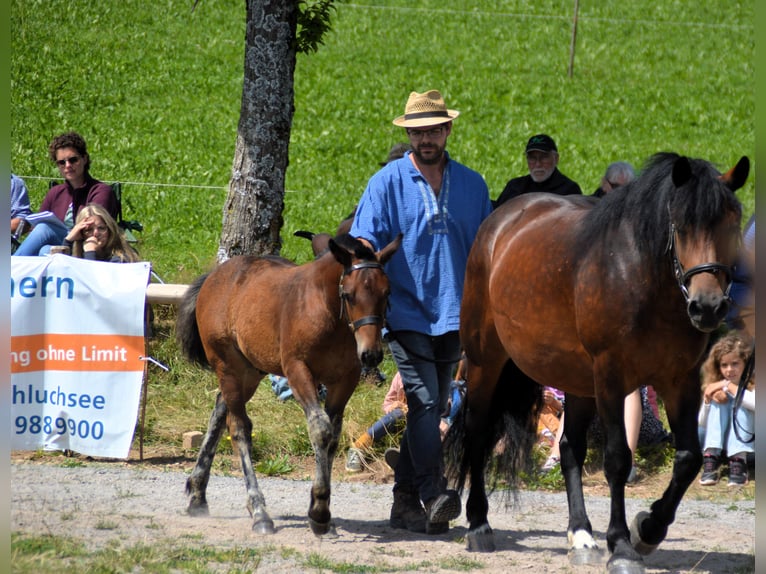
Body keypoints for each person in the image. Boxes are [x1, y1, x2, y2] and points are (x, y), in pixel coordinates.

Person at [350, 89, 492, 535]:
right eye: (417, 131)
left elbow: (486, 250)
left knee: (434, 405)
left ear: (447, 129)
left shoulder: (473, 185)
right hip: (407, 312)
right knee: (426, 401)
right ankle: (435, 493)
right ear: (408, 133)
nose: (425, 137)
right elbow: (364, 241)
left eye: (433, 129)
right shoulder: (386, 182)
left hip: (456, 312)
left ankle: (404, 502)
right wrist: (368, 254)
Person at [14, 131, 118, 256]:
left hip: (86, 246)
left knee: (44, 229)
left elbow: (92, 229)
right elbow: (35, 228)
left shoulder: (100, 191)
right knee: (45, 250)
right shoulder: (55, 193)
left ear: (84, 159)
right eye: (61, 162)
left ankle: (9, 269)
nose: (67, 165)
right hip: (62, 247)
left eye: (73, 160)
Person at [541, 386, 670, 483]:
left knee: (630, 385)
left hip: (640, 428)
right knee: (579, 387)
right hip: (598, 429)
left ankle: (625, 462)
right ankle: (556, 458)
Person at [698, 331, 755, 486]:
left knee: (742, 402)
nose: (729, 370)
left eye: (735, 364)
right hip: (716, 443)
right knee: (719, 398)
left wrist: (727, 385)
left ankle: (738, 461)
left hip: (750, 446)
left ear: (745, 363)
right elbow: (702, 424)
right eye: (724, 365)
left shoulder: (754, 385)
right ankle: (711, 458)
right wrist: (709, 401)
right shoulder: (715, 386)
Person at [494, 133, 582, 207]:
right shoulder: (515, 187)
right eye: (532, 158)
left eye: (543, 158)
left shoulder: (569, 190)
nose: (538, 164)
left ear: (556, 159)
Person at [346, 371, 408, 472]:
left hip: (424, 423)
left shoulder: (434, 376)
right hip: (401, 420)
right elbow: (387, 403)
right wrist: (393, 406)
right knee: (397, 414)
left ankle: (405, 455)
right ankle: (358, 447)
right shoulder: (400, 375)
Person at [62, 203, 139, 262]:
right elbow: (59, 271)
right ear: (81, 234)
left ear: (109, 230)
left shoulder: (121, 259)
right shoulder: (78, 257)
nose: (96, 233)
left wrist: (90, 252)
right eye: (89, 230)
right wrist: (68, 240)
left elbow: (91, 280)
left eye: (101, 228)